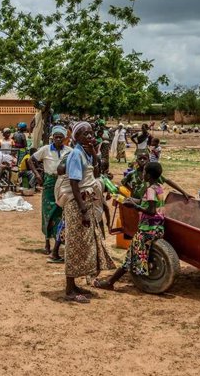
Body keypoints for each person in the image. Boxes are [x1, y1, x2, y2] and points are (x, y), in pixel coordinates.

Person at [55, 121, 116, 304]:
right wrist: (83, 210)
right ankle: (69, 289)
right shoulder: (75, 154)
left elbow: (96, 174)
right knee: (74, 245)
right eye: (85, 134)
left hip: (86, 202)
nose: (90, 137)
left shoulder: (87, 154)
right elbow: (74, 184)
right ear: (77, 138)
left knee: (83, 244)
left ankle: (74, 285)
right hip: (77, 205)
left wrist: (95, 155)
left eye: (91, 133)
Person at [95, 162, 166, 289]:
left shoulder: (149, 189)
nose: (142, 174)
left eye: (144, 172)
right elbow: (149, 203)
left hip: (147, 229)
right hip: (158, 227)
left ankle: (110, 283)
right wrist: (133, 200)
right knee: (132, 255)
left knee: (129, 257)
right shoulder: (158, 187)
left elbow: (151, 210)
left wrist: (134, 206)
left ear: (148, 175)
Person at [29, 125, 72, 259]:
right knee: (47, 212)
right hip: (49, 182)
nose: (58, 140)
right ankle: (47, 241)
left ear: (65, 138)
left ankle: (60, 241)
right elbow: (31, 160)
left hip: (63, 183)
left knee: (61, 212)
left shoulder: (69, 151)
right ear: (52, 138)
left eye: (60, 137)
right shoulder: (45, 149)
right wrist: (36, 174)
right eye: (56, 137)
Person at [123, 151, 191, 200]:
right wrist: (131, 189)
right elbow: (124, 182)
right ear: (136, 160)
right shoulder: (132, 174)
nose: (142, 160)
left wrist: (183, 192)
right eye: (140, 158)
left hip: (148, 202)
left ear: (148, 160)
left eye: (144, 158)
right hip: (135, 200)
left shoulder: (152, 173)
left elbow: (167, 181)